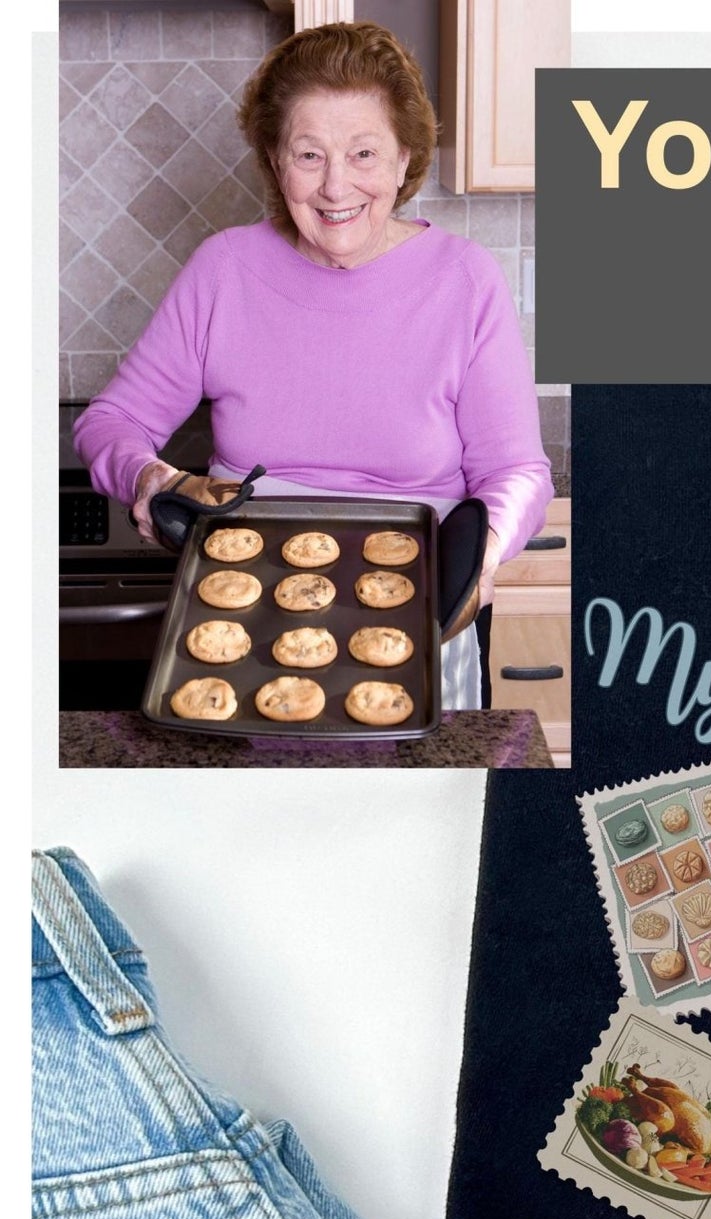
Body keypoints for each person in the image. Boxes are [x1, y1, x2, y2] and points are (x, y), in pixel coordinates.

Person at [72, 22, 551, 710]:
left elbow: (517, 471)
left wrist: (486, 548)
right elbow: (111, 421)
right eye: (308, 154)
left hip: (415, 618)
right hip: (238, 626)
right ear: (274, 159)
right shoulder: (225, 270)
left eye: (363, 153)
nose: (335, 187)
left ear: (403, 157)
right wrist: (147, 474)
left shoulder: (465, 280)